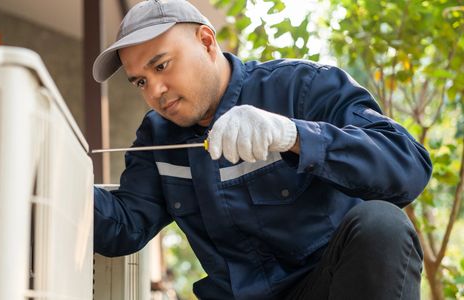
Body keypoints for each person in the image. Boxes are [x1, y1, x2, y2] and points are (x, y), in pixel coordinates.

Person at [91, 0, 432, 299]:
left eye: (161, 66)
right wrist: (59, 174)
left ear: (207, 42)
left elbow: (407, 166)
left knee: (381, 224)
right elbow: (125, 226)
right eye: (140, 81)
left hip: (325, 288)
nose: (155, 92)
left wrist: (294, 135)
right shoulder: (156, 136)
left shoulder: (302, 87)